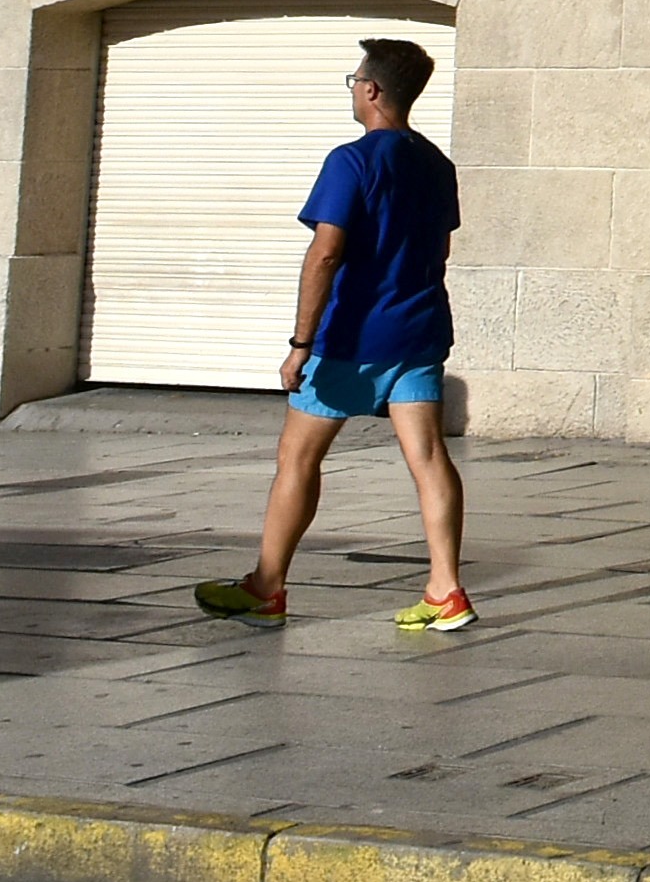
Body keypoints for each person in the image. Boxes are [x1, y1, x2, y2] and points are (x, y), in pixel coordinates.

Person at [196, 36, 471, 632]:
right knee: (428, 457)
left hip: (352, 338)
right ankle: (446, 588)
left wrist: (301, 344)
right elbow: (440, 249)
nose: (352, 89)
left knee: (297, 455)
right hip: (420, 330)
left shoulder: (351, 161)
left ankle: (267, 588)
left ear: (371, 90)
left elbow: (324, 255)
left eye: (354, 79)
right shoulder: (437, 165)